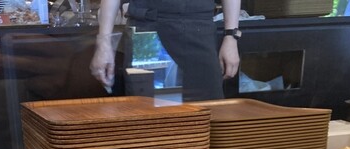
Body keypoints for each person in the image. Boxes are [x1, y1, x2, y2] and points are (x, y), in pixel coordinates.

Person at [90, 0, 241, 101]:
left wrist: (231, 37)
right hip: (148, 34)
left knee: (206, 114)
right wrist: (104, 43)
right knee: (150, 118)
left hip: (200, 31)